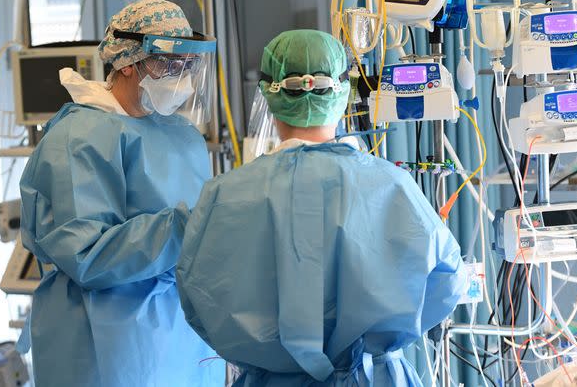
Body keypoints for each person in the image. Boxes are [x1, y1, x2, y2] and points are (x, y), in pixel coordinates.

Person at [177, 29, 466, 386]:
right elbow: (448, 281)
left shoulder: (224, 196)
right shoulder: (390, 185)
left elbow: (197, 299)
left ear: (269, 96)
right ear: (343, 93)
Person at [18, 0, 225, 387]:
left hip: (183, 338)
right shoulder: (79, 139)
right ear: (128, 62)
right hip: (109, 345)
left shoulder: (180, 134)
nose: (181, 76)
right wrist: (184, 227)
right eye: (168, 63)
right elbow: (86, 255)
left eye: (188, 65)